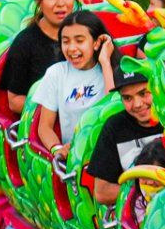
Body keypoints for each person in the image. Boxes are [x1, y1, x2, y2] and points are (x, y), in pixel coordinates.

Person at [31, 10, 116, 156]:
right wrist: (57, 149)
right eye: (65, 41)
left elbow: (112, 110)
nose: (71, 48)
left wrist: (105, 63)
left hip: (111, 152)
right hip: (76, 157)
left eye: (79, 40)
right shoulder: (56, 73)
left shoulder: (113, 69)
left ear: (96, 43)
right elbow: (44, 127)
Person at [0, 0, 79, 117]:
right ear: (38, 0)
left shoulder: (87, 34)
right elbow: (14, 101)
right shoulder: (25, 42)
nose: (60, 3)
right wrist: (60, 107)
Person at [85, 61, 165, 205]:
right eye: (127, 98)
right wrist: (152, 190)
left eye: (143, 93)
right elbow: (102, 192)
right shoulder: (114, 127)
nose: (137, 104)